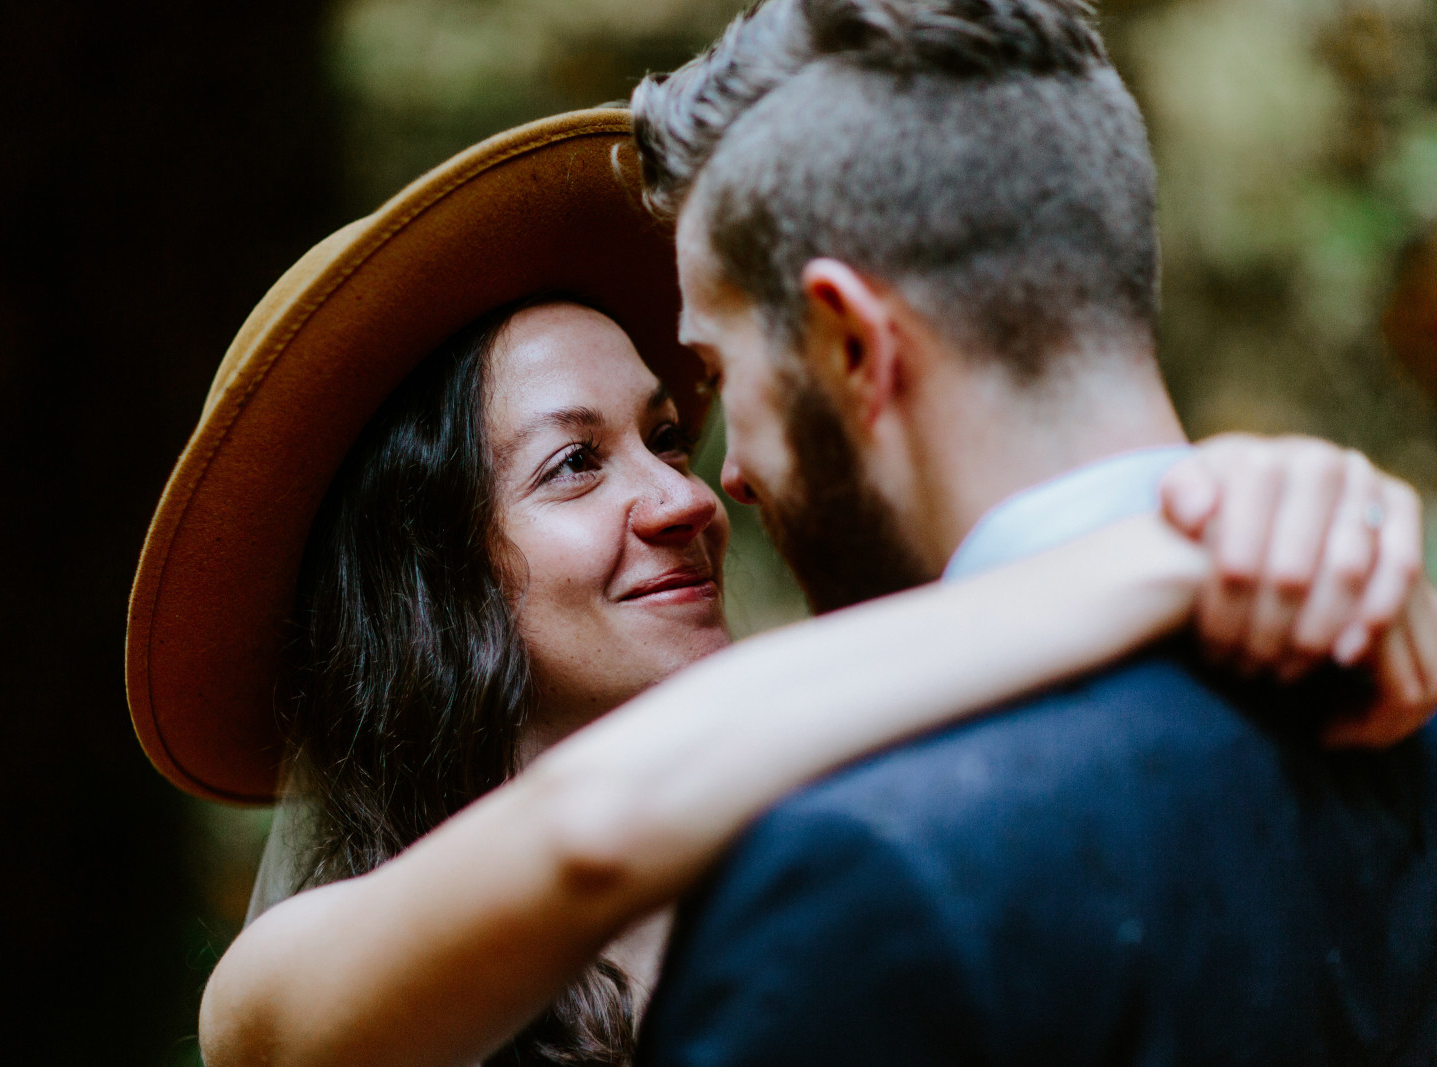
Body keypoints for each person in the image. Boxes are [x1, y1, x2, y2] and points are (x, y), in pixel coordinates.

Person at [122, 116, 1436, 1067]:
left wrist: (1274, 504)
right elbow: (591, 831)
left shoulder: (850, 846)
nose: (689, 496)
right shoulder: (278, 992)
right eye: (577, 463)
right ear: (420, 576)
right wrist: (1133, 548)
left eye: (666, 435)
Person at [621, 0, 1437, 1063]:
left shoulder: (860, 869)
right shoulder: (1405, 704)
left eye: (726, 375)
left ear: (850, 346)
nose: (727, 475)